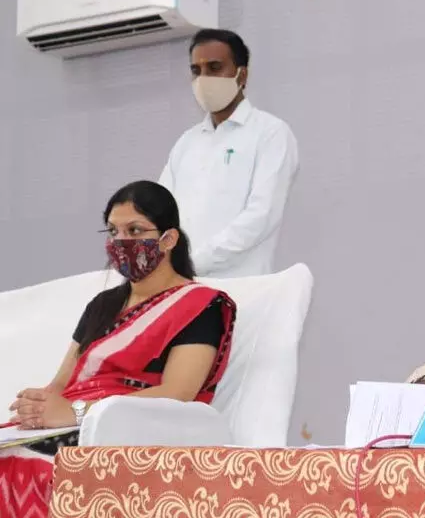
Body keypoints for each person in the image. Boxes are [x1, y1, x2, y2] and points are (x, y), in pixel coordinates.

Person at [0, 181, 236, 516]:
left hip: (131, 432)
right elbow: (61, 383)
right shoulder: (103, 304)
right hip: (71, 426)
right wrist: (36, 405)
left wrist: (79, 412)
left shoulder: (200, 305)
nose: (121, 241)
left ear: (168, 239)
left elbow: (179, 392)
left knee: (25, 466)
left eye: (135, 230)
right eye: (113, 231)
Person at [159, 29, 300, 278]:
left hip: (238, 288)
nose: (204, 78)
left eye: (215, 67)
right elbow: (158, 212)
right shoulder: (187, 142)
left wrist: (190, 264)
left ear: (241, 75)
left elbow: (260, 217)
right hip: (179, 287)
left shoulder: (270, 133)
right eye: (196, 70)